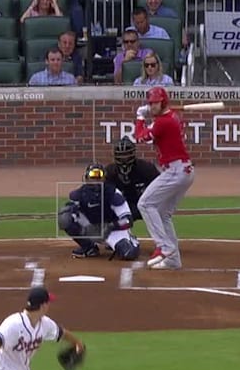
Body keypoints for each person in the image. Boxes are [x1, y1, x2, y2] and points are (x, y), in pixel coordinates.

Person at [135, 86, 193, 270]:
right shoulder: (168, 118)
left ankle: (164, 246)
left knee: (145, 204)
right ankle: (173, 260)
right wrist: (148, 118)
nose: (152, 106)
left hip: (176, 171)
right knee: (163, 214)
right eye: (150, 103)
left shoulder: (163, 122)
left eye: (155, 103)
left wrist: (139, 117)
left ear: (164, 102)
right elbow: (150, 136)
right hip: (183, 171)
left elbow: (140, 138)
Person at [57, 163, 141, 260]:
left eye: (99, 177)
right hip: (92, 228)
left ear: (104, 179)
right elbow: (70, 212)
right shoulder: (78, 194)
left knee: (129, 253)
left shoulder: (113, 194)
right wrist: (71, 209)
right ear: (86, 178)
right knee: (65, 217)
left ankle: (130, 241)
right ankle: (88, 248)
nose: (95, 181)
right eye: (93, 177)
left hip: (113, 231)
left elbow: (128, 220)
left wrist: (110, 226)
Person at [104, 137, 159, 219]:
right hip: (121, 204)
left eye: (126, 155)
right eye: (121, 155)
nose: (123, 158)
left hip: (144, 204)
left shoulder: (147, 168)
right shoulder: (110, 171)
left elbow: (159, 190)